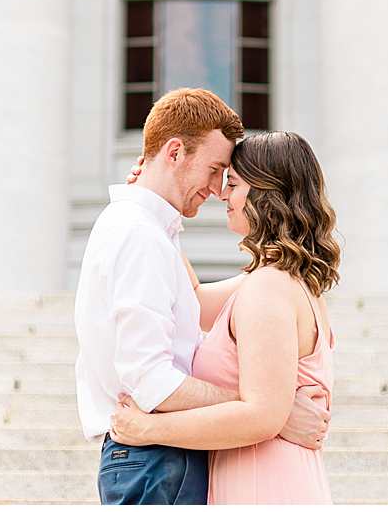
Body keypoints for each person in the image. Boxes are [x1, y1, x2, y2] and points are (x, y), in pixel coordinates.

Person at [75, 89, 329, 505]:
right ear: (175, 151)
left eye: (230, 181)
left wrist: (268, 410)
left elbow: (190, 303)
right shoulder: (143, 235)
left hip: (222, 465)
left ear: (267, 196)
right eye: (217, 172)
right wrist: (276, 412)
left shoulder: (267, 284)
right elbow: (154, 374)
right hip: (163, 459)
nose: (218, 191)